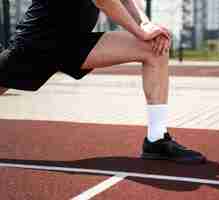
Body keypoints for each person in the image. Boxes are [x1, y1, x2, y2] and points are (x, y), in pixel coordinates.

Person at [0, 0, 206, 163]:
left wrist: (145, 23)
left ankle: (157, 139)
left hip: (74, 42)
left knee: (154, 50)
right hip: (39, 44)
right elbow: (104, 1)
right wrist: (140, 31)